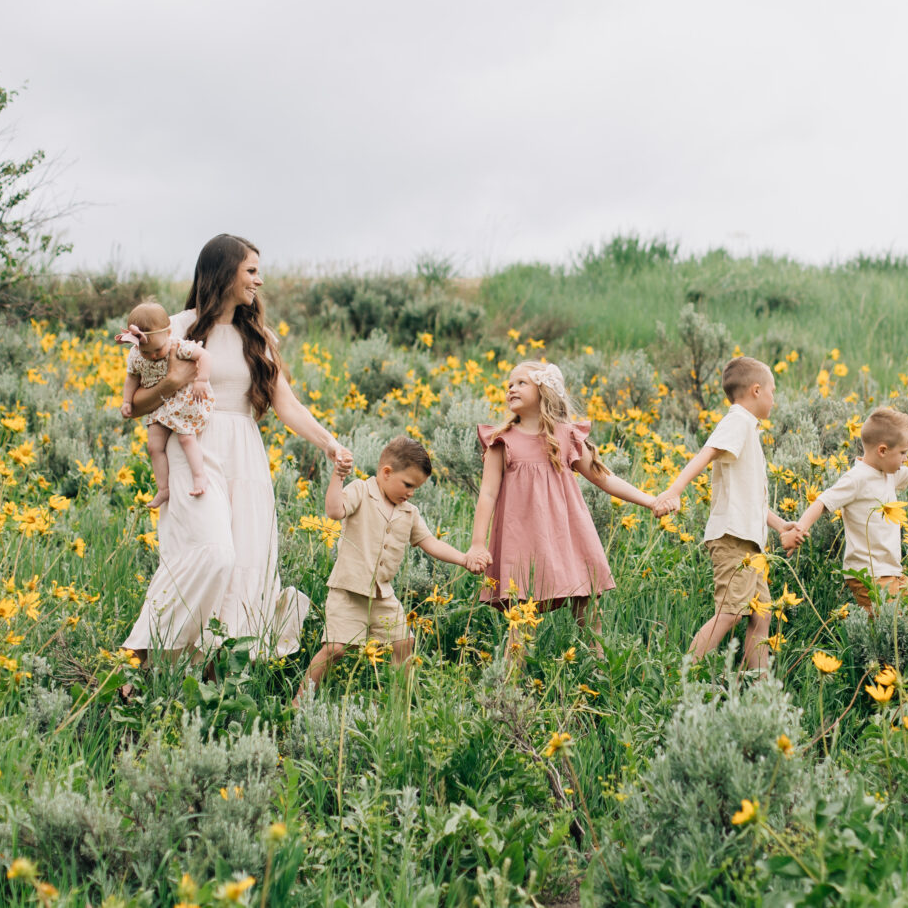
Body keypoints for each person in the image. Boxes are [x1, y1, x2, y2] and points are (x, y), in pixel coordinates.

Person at [120, 233, 353, 668]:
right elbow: (134, 407)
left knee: (245, 562)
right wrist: (174, 382)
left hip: (244, 453)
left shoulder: (256, 335)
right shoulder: (176, 328)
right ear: (225, 273)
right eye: (250, 271)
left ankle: (210, 669)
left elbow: (285, 403)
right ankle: (144, 654)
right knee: (212, 552)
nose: (258, 281)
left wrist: (329, 443)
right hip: (193, 448)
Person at [466, 360, 665, 631]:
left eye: (521, 383)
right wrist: (478, 544)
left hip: (566, 534)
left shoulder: (565, 436)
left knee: (587, 604)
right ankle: (512, 674)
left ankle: (600, 670)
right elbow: (487, 494)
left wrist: (650, 500)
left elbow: (603, 477)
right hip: (521, 538)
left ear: (544, 390)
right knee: (522, 615)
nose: (511, 389)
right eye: (509, 384)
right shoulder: (501, 441)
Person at [296, 437, 482, 699]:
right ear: (386, 472)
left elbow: (429, 542)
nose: (410, 493)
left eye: (415, 488)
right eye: (408, 485)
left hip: (383, 596)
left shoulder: (409, 512)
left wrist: (463, 559)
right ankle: (300, 701)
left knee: (404, 643)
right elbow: (335, 511)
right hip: (348, 591)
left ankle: (399, 702)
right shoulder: (361, 491)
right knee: (335, 649)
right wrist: (338, 476)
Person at [654, 356, 797, 671]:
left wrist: (779, 525)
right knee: (730, 613)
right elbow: (707, 452)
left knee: (761, 614)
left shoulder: (748, 428)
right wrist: (675, 490)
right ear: (756, 391)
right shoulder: (738, 421)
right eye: (773, 391)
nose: (775, 399)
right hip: (732, 538)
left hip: (749, 541)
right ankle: (684, 680)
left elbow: (751, 499)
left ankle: (758, 689)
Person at [782, 407, 908, 612]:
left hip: (890, 571)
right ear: (882, 451)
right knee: (891, 623)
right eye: (902, 453)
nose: (905, 459)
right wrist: (800, 528)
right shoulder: (857, 478)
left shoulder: (888, 473)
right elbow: (822, 502)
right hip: (868, 573)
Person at [118, 300, 213, 506]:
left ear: (168, 332)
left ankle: (199, 475)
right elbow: (131, 378)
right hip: (159, 407)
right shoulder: (135, 355)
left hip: (182, 402)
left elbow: (204, 355)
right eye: (146, 352)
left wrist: (201, 380)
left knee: (186, 439)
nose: (152, 355)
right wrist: (127, 401)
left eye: (157, 350)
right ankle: (164, 488)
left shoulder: (178, 346)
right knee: (154, 447)